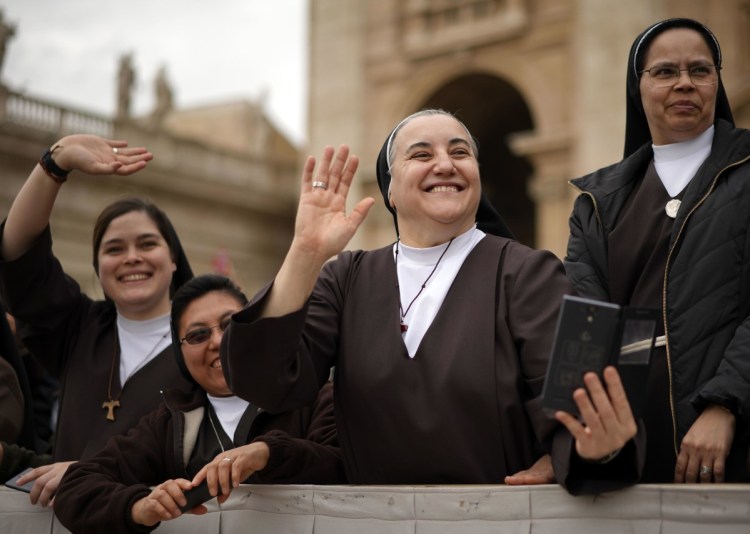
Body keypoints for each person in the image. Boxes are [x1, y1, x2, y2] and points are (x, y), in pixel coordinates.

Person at [220, 108, 576, 484]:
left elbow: (572, 409)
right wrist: (306, 254)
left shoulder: (528, 273)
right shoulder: (346, 278)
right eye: (422, 155)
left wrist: (565, 456)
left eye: (460, 153)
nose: (444, 165)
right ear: (389, 189)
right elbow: (265, 380)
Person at [560, 18, 750, 487]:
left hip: (737, 439)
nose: (684, 82)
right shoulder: (597, 203)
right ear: (638, 85)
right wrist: (577, 445)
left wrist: (724, 404)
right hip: (634, 450)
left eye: (700, 70)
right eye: (665, 71)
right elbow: (585, 333)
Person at [54, 274, 344, 533]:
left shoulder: (313, 394)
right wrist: (140, 508)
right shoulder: (166, 423)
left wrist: (268, 452)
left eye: (230, 324)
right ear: (180, 355)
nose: (217, 341)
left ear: (253, 330)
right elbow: (75, 487)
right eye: (197, 335)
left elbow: (346, 465)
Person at [0, 134, 195, 505]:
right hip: (67, 523)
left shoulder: (206, 342)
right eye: (114, 249)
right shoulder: (79, 328)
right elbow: (17, 251)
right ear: (98, 269)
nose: (132, 257)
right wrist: (55, 166)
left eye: (147, 244)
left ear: (173, 259)